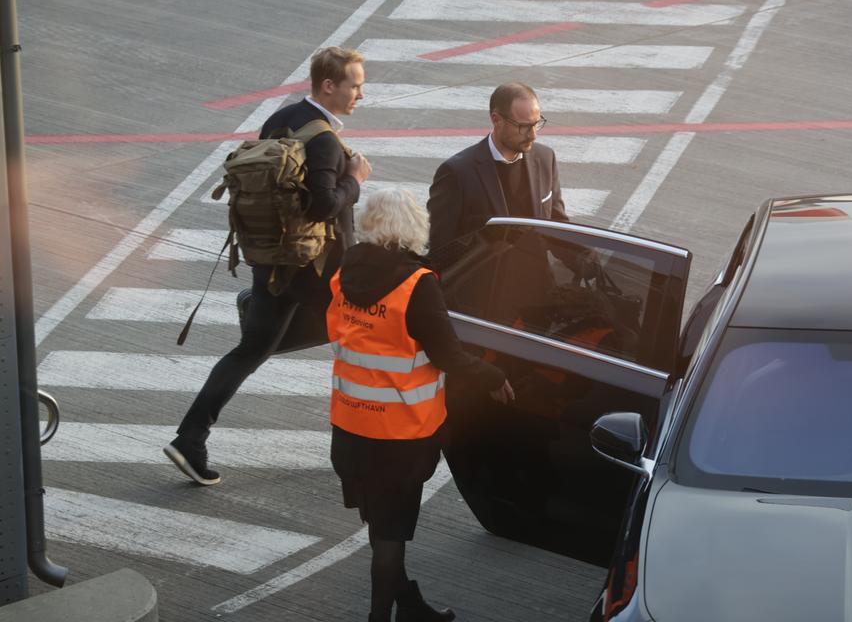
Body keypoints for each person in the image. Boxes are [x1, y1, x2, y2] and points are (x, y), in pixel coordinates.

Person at [164, 46, 373, 486]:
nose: (361, 94)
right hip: (315, 268)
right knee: (359, 337)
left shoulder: (282, 119)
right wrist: (355, 179)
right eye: (355, 84)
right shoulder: (325, 142)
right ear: (328, 85)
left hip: (270, 258)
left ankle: (191, 437)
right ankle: (359, 457)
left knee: (252, 349)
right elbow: (322, 206)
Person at [327, 187, 514, 622]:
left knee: (381, 528)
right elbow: (448, 355)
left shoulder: (343, 275)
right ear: (415, 227)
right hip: (399, 436)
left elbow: (339, 335)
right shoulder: (416, 285)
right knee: (389, 538)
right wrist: (494, 376)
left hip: (350, 428)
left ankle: (410, 605)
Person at [426, 81, 566, 269]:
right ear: (496, 119)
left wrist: (586, 260)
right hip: (482, 293)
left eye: (536, 124)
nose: (533, 135)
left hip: (538, 286)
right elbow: (441, 248)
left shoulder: (545, 158)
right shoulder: (456, 173)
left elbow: (557, 223)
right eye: (523, 126)